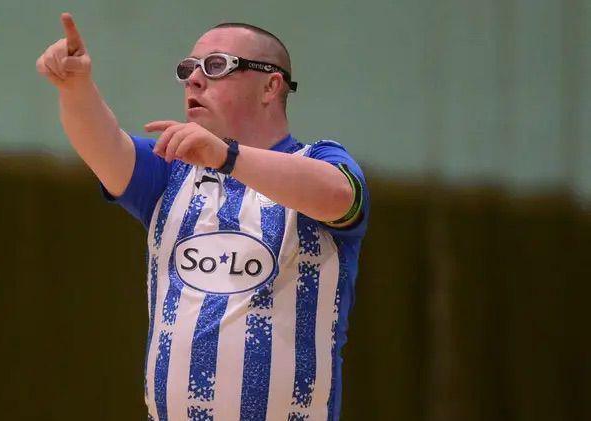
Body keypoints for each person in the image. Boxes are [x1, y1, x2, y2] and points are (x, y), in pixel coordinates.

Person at [36, 12, 369, 421]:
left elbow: (339, 196)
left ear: (271, 86)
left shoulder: (318, 160)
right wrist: (75, 88)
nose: (194, 79)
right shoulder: (172, 172)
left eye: (216, 66)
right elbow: (103, 145)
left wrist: (227, 156)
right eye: (189, 69)